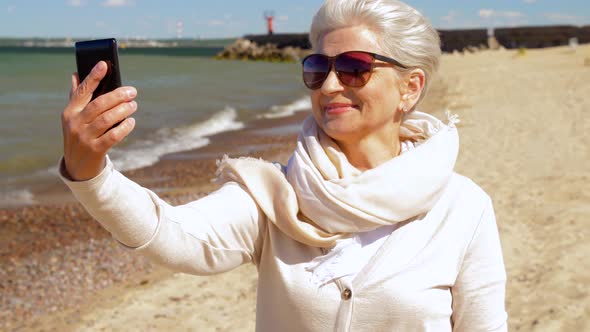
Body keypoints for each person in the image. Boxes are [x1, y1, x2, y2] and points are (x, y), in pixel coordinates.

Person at [59, 0, 508, 330]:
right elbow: (175, 238)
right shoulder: (275, 193)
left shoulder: (462, 208)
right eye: (318, 67)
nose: (330, 85)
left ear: (410, 87)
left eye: (354, 68)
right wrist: (92, 173)